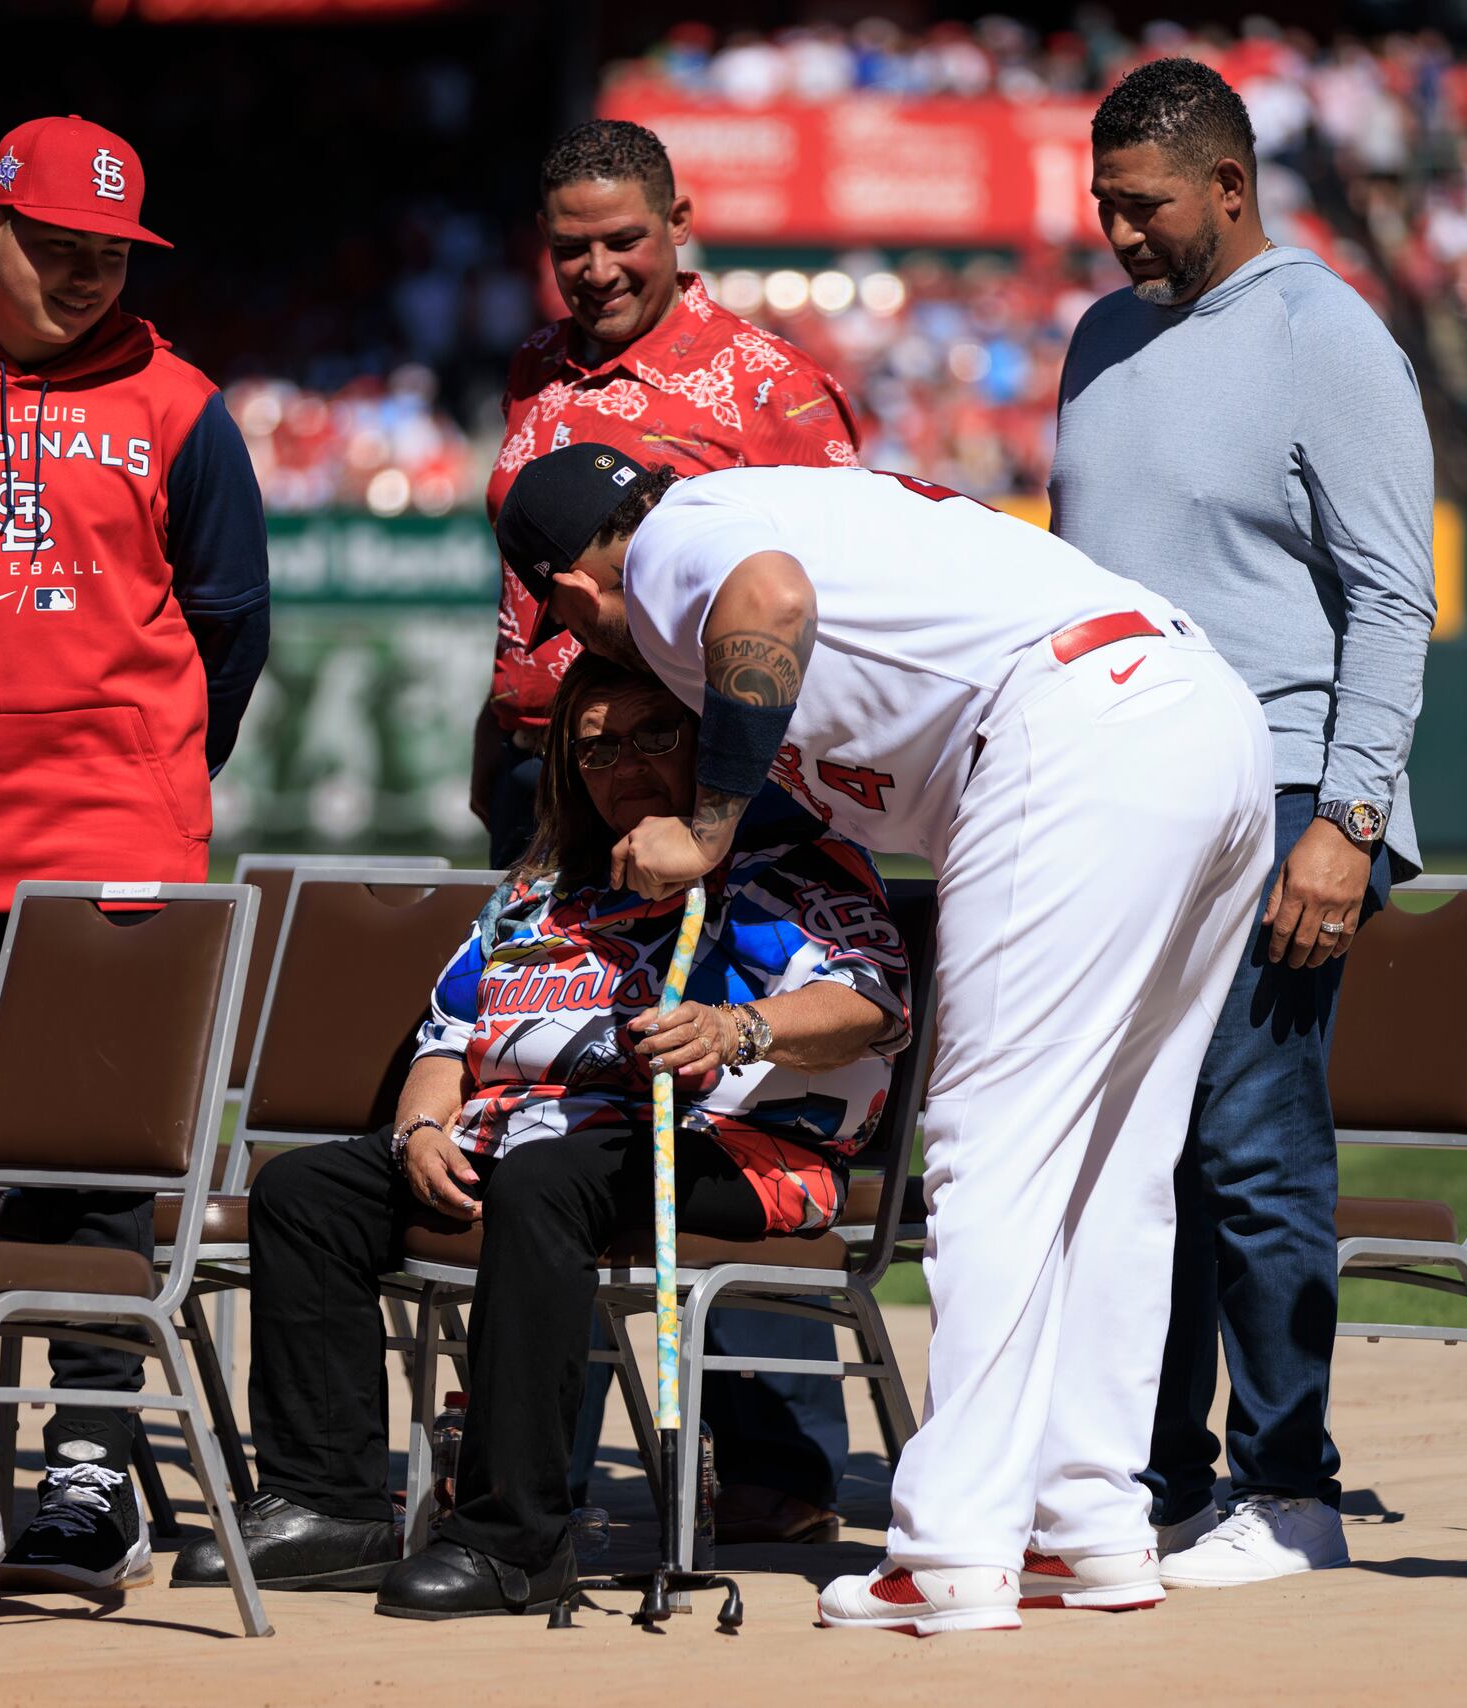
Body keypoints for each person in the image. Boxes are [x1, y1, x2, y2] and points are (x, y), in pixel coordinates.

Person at [493, 446, 1273, 1633]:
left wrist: (704, 829)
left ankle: (954, 1546)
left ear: (569, 591)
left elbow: (767, 597)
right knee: (1114, 1160)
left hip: (1072, 729)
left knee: (989, 1146)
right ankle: (1086, 1523)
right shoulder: (755, 502)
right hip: (1195, 719)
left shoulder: (669, 543)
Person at [170, 651, 908, 1616]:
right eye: (596, 749)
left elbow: (868, 1002)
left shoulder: (773, 867)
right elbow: (447, 1034)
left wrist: (737, 1028)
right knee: (305, 1193)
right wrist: (422, 1129)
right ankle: (327, 1509)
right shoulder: (542, 886)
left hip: (730, 1148)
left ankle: (514, 1538)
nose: (624, 765)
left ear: (710, 744)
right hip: (522, 1138)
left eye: (656, 734)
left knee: (545, 1180)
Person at [0, 113, 269, 1593]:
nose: (88, 275)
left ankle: (92, 1465)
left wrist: (143, 781)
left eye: (112, 254)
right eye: (58, 247)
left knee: (96, 1185)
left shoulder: (178, 402)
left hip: (118, 861)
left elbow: (232, 626)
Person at [1047, 58, 1435, 1588]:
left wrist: (1349, 817)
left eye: (1141, 207)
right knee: (1130, 1150)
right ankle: (1156, 1480)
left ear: (1227, 183)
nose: (1120, 233)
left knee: (1253, 1145)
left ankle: (1293, 1490)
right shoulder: (1095, 336)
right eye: (1102, 206)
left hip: (1276, 784)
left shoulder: (1320, 333)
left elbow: (1392, 601)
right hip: (1113, 796)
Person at [475, 117, 867, 1548]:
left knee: (734, 1099)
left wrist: (735, 814)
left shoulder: (768, 383)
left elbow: (821, 600)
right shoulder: (532, 373)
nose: (593, 267)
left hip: (725, 807)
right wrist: (496, 736)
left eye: (621, 237)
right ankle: (541, 1454)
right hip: (562, 787)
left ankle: (777, 1452)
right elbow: (526, 598)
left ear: (679, 221)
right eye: (568, 243)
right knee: (549, 1093)